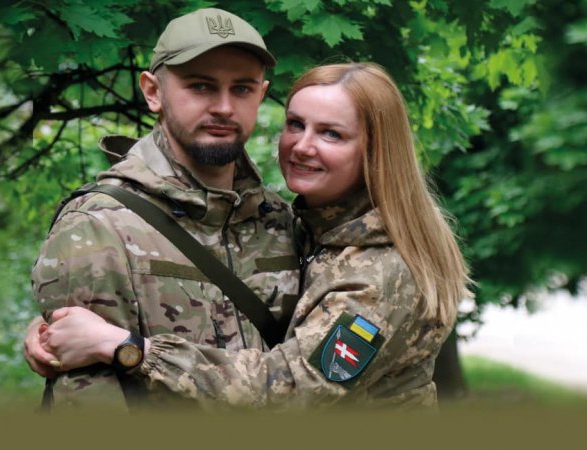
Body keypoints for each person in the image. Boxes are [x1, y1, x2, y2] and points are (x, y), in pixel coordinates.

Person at [32, 63, 472, 410]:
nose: (302, 146)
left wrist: (124, 348)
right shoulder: (304, 229)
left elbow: (290, 394)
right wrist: (56, 335)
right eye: (296, 124)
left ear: (374, 152)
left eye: (331, 134)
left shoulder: (383, 271)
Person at [26, 7, 300, 411]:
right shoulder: (100, 226)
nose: (224, 107)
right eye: (201, 86)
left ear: (261, 94)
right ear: (153, 92)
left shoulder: (283, 221)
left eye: (242, 89)